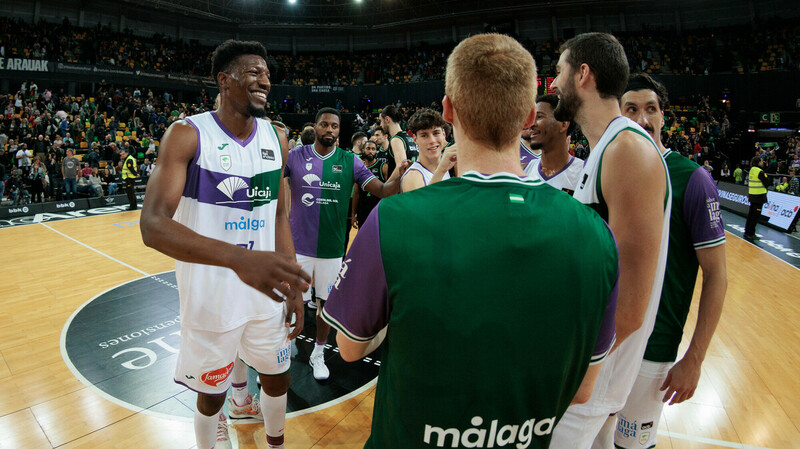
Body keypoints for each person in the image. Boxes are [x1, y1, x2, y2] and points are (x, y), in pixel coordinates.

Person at [321, 33, 618, 449]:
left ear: (447, 111)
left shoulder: (393, 221)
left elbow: (350, 350)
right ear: (530, 115)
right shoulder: (595, 234)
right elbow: (585, 389)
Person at [139, 39, 311, 449]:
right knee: (211, 392)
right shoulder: (187, 134)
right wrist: (238, 259)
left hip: (266, 292)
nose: (264, 81)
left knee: (277, 376)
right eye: (253, 73)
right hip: (210, 297)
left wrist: (291, 284)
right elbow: (152, 225)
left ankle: (275, 443)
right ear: (224, 80)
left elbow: (280, 215)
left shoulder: (277, 137)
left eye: (267, 74)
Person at [547, 33, 671, 448]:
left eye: (560, 71)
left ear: (583, 74)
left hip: (593, 375)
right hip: (594, 370)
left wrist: (573, 367)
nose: (552, 83)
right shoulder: (605, 148)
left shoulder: (627, 151)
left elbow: (632, 306)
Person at [614, 72, 727, 449]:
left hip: (653, 351)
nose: (642, 118)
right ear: (618, 114)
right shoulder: (604, 170)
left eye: (651, 109)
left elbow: (717, 276)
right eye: (631, 109)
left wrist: (694, 359)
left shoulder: (692, 179)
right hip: (602, 345)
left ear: (664, 116)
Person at [284, 107, 407, 381]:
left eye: (335, 126)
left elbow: (384, 191)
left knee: (325, 309)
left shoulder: (350, 161)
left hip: (331, 251)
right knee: (290, 304)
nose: (330, 130)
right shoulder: (294, 156)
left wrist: (399, 173)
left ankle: (317, 353)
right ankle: (282, 349)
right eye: (325, 125)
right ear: (315, 127)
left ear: (340, 131)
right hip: (297, 249)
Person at [524, 94, 584, 194]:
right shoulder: (525, 171)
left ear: (563, 124)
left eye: (539, 117)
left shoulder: (583, 174)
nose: (531, 124)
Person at [399, 108, 452, 192]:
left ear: (444, 134)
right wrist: (441, 170)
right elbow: (425, 205)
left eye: (436, 133)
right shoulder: (412, 178)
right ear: (415, 139)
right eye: (424, 135)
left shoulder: (449, 167)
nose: (432, 140)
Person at [351, 140, 387, 229]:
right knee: (363, 239)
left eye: (373, 149)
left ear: (376, 151)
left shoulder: (383, 167)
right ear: (363, 150)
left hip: (378, 210)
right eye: (368, 148)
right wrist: (353, 214)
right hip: (363, 209)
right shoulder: (359, 167)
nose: (370, 151)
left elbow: (388, 192)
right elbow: (356, 193)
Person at [379, 104, 418, 174]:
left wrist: (385, 185)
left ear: (387, 119)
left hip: (403, 184)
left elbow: (401, 167)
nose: (380, 125)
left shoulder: (396, 139)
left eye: (381, 121)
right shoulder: (408, 137)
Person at [744, 157, 769, 241]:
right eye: (761, 161)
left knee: (751, 215)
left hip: (752, 195)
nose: (763, 163)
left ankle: (747, 232)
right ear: (758, 162)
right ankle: (751, 234)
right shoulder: (760, 171)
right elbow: (767, 182)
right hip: (759, 196)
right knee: (755, 216)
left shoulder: (752, 170)